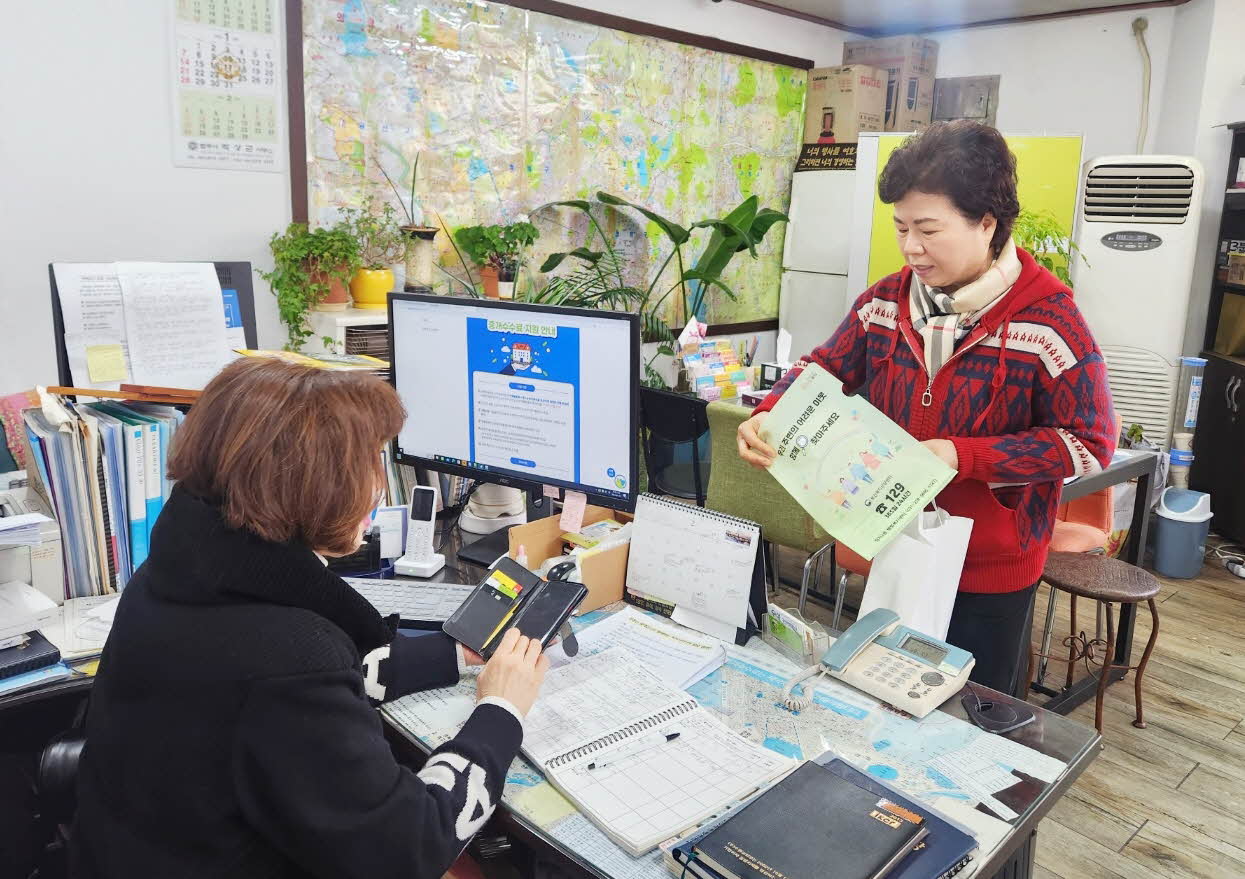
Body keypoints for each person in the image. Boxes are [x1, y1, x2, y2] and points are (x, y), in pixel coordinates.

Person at [72, 358, 549, 879]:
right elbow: (408, 846)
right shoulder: (289, 656)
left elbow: (267, 695)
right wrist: (501, 711)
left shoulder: (179, 571)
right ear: (316, 486)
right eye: (365, 467)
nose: (374, 489)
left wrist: (449, 654)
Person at [738, 121, 1116, 697]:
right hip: (893, 542)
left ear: (986, 223)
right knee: (886, 698)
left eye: (928, 229)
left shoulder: (1050, 322)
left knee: (978, 715)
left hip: (993, 567)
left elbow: (1088, 444)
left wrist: (959, 456)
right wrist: (769, 411)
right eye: (900, 228)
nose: (910, 246)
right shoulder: (884, 305)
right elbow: (820, 369)